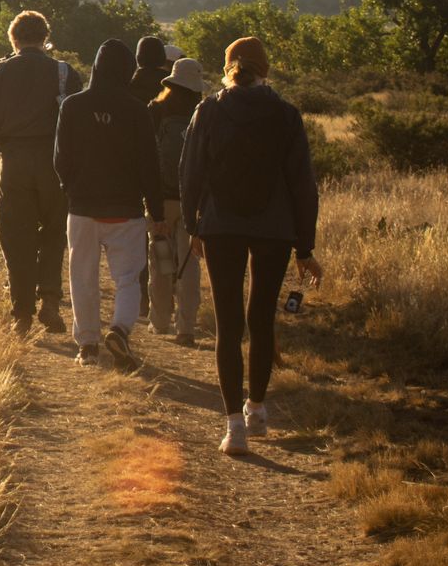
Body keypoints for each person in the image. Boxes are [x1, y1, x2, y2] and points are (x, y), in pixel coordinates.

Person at [182, 36, 324, 455]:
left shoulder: (209, 110)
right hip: (274, 228)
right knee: (261, 319)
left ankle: (233, 428)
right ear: (267, 69)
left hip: (220, 225)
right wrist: (305, 247)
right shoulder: (286, 114)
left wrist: (193, 225)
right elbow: (303, 184)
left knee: (228, 325)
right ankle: (257, 409)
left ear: (228, 68)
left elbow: (190, 171)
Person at [0, 10, 84, 337]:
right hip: (55, 163)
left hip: (14, 162)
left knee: (16, 237)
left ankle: (21, 314)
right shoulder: (65, 72)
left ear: (13, 38)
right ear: (45, 38)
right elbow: (78, 119)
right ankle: (50, 299)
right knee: (54, 233)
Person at [53, 38, 165, 369]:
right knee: (128, 278)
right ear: (127, 70)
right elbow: (150, 165)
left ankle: (88, 346)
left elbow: (61, 158)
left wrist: (71, 188)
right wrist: (156, 212)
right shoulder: (137, 110)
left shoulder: (72, 105)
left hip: (83, 208)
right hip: (126, 210)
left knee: (82, 278)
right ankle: (120, 330)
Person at [146, 55, 206, 346]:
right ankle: (186, 328)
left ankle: (159, 321)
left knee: (161, 260)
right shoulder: (204, 113)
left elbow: (146, 156)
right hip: (193, 202)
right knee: (189, 264)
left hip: (160, 201)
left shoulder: (155, 110)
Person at [130, 36, 171, 321]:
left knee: (137, 236)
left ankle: (142, 298)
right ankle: (168, 296)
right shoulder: (172, 87)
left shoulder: (129, 86)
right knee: (165, 233)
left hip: (134, 169)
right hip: (167, 173)